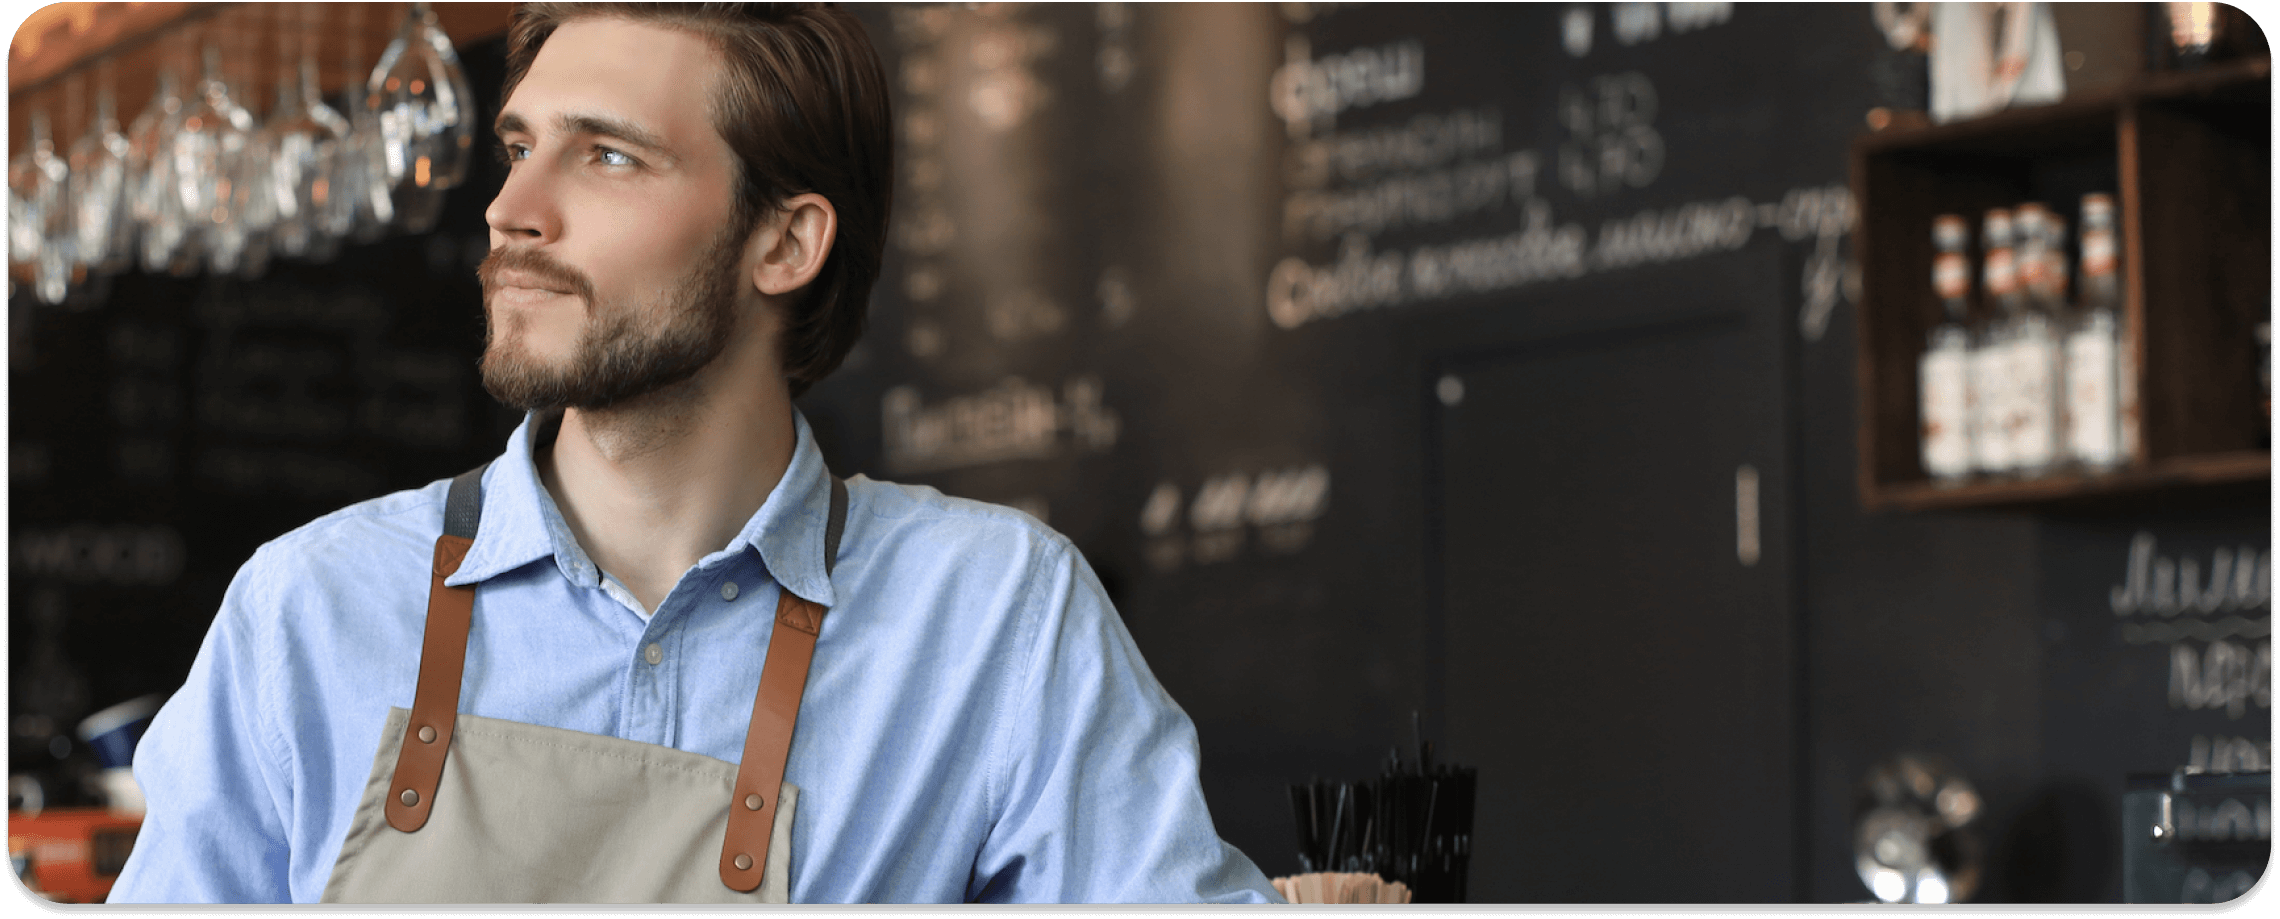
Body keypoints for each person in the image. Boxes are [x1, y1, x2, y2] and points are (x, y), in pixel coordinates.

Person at [108, 3, 1278, 904]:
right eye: (522, 145)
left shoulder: (995, 618)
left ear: (784, 241)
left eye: (607, 156)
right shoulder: (307, 610)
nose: (512, 208)